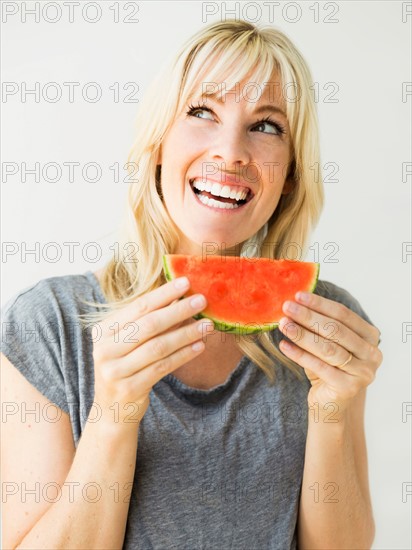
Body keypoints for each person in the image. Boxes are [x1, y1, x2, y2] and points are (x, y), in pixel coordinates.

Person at [1, 19, 382, 550]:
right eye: (201, 112)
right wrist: (113, 414)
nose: (231, 152)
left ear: (292, 171)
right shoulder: (49, 323)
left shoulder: (323, 325)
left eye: (267, 125)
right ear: (158, 142)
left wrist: (333, 410)